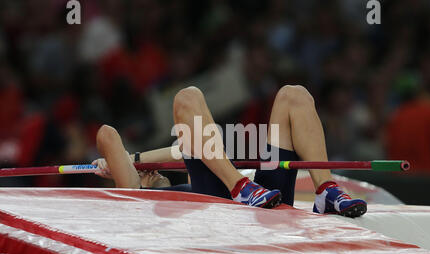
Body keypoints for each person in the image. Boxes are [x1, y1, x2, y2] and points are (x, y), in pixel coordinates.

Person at [93, 85, 367, 217]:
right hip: (220, 206)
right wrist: (121, 165)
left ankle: (326, 191)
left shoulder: (191, 169)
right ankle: (239, 188)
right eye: (143, 173)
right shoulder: (136, 198)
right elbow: (107, 134)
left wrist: (137, 159)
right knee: (187, 98)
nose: (152, 174)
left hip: (262, 198)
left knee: (294, 94)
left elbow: (181, 150)